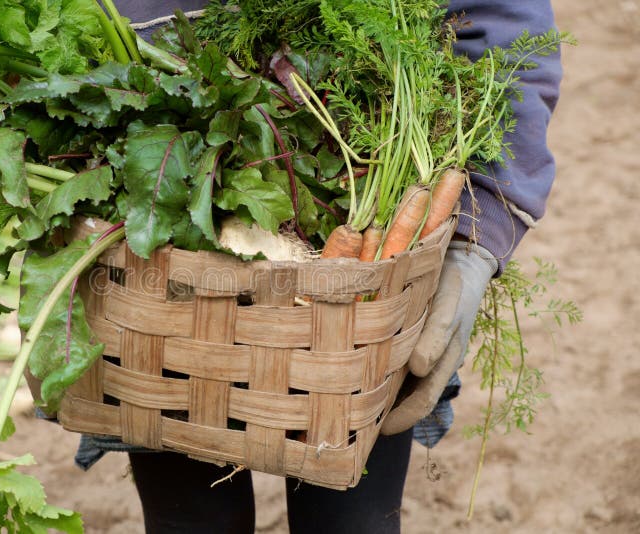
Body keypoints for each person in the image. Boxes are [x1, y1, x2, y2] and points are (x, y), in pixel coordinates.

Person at [73, 1, 564, 532]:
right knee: (187, 515)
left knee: (353, 516)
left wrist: (476, 236)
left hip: (366, 285)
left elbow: (501, 27)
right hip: (154, 238)